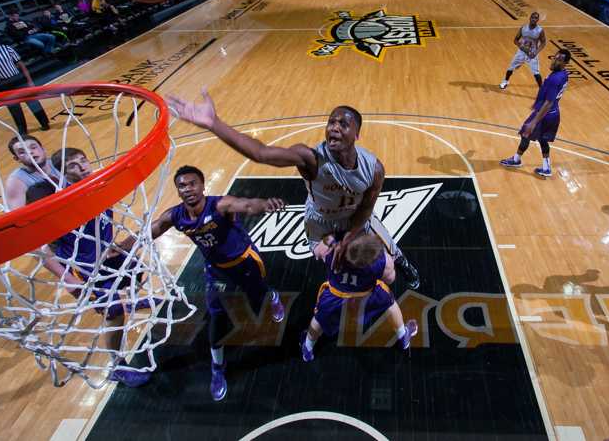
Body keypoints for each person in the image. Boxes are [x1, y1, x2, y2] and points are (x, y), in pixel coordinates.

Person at [166, 94, 422, 290]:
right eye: (331, 122)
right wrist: (214, 123)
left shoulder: (374, 168)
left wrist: (347, 234)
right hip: (321, 222)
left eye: (343, 124)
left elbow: (366, 207)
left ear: (357, 133)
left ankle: (402, 262)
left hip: (356, 217)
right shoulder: (310, 158)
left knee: (390, 265)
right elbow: (261, 153)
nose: (334, 127)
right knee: (336, 263)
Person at [121, 165, 286, 401]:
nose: (188, 189)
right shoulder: (175, 216)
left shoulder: (219, 205)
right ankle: (218, 368)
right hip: (216, 271)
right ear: (177, 191)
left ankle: (273, 297)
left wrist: (264, 204)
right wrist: (120, 248)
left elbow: (247, 204)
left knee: (259, 298)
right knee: (216, 318)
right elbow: (151, 231)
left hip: (245, 262)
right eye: (182, 186)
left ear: (202, 185)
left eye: (192, 183)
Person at [39, 147, 151, 387]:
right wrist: (67, 277)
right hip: (83, 267)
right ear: (62, 174)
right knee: (115, 313)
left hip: (107, 255)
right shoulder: (59, 203)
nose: (82, 166)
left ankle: (128, 301)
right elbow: (43, 248)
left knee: (139, 273)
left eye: (83, 160)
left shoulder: (99, 184)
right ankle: (117, 366)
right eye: (73, 165)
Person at [300, 233, 418, 361]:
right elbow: (390, 279)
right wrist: (389, 262)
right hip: (367, 293)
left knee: (320, 318)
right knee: (390, 303)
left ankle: (308, 347)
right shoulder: (381, 260)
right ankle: (403, 336)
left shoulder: (331, 249)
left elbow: (317, 252)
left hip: (336, 294)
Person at [499, 49, 571, 177]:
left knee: (525, 133)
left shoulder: (554, 79)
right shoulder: (564, 74)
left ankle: (516, 160)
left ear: (565, 63)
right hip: (554, 113)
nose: (555, 60)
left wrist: (534, 121)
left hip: (544, 114)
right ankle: (546, 167)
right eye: (555, 57)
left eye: (559, 59)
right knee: (543, 140)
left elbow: (548, 102)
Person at [0, 34, 50, 134]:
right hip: (3, 83)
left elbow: (21, 65)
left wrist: (29, 81)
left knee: (32, 102)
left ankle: (44, 123)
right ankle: (23, 130)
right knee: (14, 108)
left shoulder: (6, 48)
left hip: (18, 79)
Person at [4, 134, 57, 210]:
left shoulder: (59, 162)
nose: (29, 152)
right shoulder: (16, 182)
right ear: (17, 159)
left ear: (43, 149)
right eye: (22, 152)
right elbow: (18, 216)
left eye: (33, 147)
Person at [500, 11, 547, 90]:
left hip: (532, 53)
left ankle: (541, 89)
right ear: (530, 18)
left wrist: (536, 52)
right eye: (532, 17)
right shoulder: (523, 28)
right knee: (510, 68)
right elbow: (515, 40)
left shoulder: (540, 30)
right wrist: (520, 46)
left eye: (536, 18)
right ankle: (505, 81)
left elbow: (543, 43)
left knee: (536, 74)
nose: (533, 19)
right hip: (521, 52)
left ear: (538, 19)